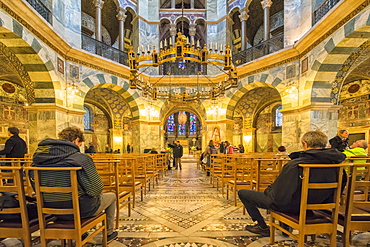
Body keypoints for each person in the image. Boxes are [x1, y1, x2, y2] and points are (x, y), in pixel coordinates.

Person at [238, 130, 346, 237]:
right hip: (319, 203)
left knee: (244, 193)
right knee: (288, 194)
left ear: (305, 144)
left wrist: (269, 190)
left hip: (293, 205)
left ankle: (262, 226)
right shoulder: (337, 164)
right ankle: (285, 226)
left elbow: (279, 196)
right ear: (325, 144)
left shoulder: (296, 164)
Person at [31, 126, 118, 241]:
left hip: (49, 208)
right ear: (76, 140)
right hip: (81, 209)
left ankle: (82, 233)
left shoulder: (38, 160)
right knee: (111, 196)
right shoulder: (80, 159)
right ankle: (109, 234)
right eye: (80, 144)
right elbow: (96, 189)